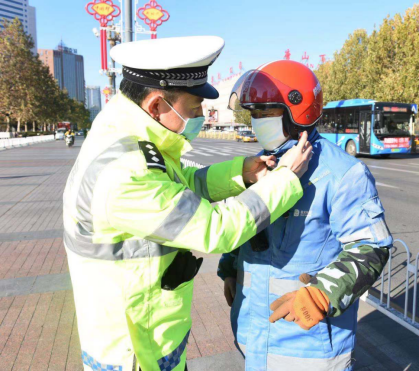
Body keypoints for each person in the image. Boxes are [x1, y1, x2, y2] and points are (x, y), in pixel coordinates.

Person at [63, 37, 312, 371]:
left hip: (150, 330)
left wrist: (240, 173)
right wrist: (286, 180)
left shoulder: (128, 132)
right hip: (136, 351)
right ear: (155, 106)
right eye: (194, 108)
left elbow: (179, 189)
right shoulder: (126, 171)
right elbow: (216, 229)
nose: (201, 116)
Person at [218, 60, 393, 371]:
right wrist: (229, 267)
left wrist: (322, 294)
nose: (257, 122)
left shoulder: (342, 174)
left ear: (296, 112)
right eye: (254, 114)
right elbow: (245, 222)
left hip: (308, 346)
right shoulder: (260, 165)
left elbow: (371, 249)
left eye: (265, 113)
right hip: (252, 336)